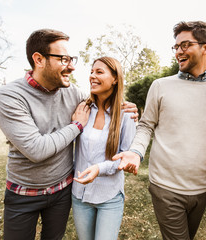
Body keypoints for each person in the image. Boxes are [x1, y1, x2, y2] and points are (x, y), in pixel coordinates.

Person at [0, 29, 138, 240]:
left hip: (62, 192)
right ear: (39, 59)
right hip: (24, 193)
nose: (71, 65)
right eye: (63, 59)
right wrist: (76, 126)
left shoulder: (74, 94)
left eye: (71, 59)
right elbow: (36, 149)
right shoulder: (9, 96)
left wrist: (127, 109)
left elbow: (102, 101)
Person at [113, 21, 206, 240]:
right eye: (176, 46)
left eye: (185, 45)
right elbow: (146, 125)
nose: (178, 51)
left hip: (203, 187)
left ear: (205, 47)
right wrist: (136, 151)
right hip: (165, 187)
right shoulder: (161, 85)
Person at [71, 56, 136, 240]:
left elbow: (126, 157)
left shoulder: (127, 114)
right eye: (92, 72)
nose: (92, 76)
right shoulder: (83, 109)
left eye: (99, 72)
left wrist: (99, 169)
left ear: (115, 79)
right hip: (79, 196)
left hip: (109, 197)